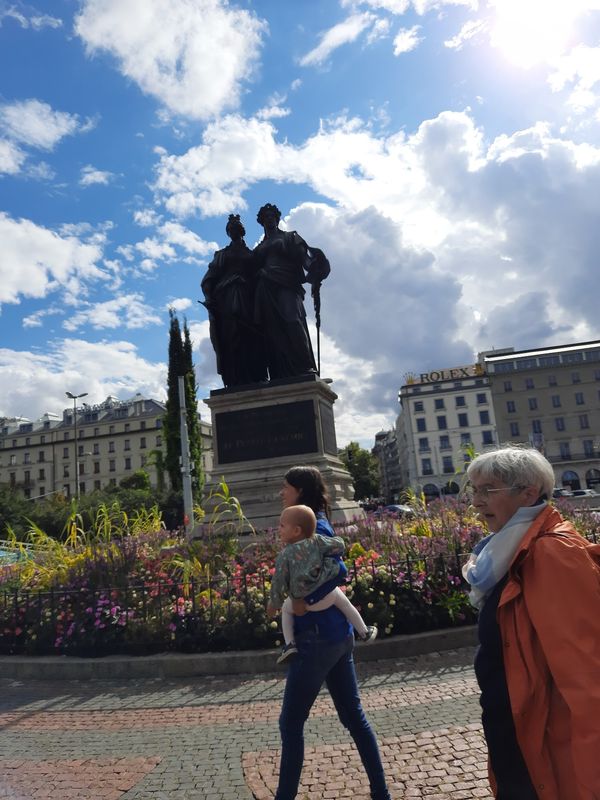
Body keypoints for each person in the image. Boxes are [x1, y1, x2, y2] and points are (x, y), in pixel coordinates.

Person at [462, 445, 600, 800]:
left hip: (548, 744)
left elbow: (587, 676)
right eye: (473, 490)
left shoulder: (552, 553)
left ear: (529, 493)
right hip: (521, 734)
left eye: (487, 490)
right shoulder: (506, 550)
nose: (476, 502)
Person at [273, 465, 391, 800]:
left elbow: (338, 569)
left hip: (315, 640)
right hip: (336, 637)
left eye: (285, 487)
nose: (281, 493)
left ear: (299, 490)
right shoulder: (313, 521)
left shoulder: (313, 527)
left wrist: (302, 599)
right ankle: (381, 792)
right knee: (354, 718)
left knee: (290, 724)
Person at [267, 504, 377, 665]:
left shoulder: (285, 556)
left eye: (282, 525)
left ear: (297, 531)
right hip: (326, 596)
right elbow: (339, 546)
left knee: (286, 610)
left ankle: (289, 644)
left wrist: (273, 604)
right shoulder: (317, 540)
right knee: (345, 602)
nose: (279, 529)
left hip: (302, 603)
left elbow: (279, 583)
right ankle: (364, 631)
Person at [253, 203, 330, 380]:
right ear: (261, 221)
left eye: (272, 216)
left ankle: (305, 365)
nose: (269, 219)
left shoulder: (289, 237)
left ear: (277, 219)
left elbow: (305, 259)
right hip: (265, 288)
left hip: (286, 283)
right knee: (272, 330)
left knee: (292, 320)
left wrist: (315, 270)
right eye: (266, 217)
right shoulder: (259, 247)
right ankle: (279, 371)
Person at [200, 214, 267, 386]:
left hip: (250, 299)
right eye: (230, 230)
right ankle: (235, 377)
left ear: (242, 231)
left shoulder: (252, 255)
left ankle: (255, 374)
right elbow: (209, 278)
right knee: (231, 336)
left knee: (252, 336)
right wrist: (208, 297)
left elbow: (260, 276)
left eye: (236, 229)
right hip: (227, 299)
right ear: (228, 233)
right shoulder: (222, 254)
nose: (234, 232)